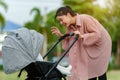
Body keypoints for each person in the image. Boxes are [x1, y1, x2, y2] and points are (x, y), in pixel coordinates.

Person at [51, 6, 112, 80]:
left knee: (99, 70)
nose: (61, 23)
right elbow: (70, 43)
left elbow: (97, 34)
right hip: (90, 46)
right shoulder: (69, 27)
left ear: (68, 15)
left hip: (101, 45)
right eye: (59, 21)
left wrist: (82, 36)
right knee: (89, 70)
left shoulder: (85, 19)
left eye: (61, 19)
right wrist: (61, 35)